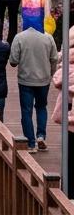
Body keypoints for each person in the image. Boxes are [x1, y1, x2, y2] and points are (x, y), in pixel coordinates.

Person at [10, 22, 59, 153]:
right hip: (43, 79)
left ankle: (30, 142)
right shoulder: (48, 37)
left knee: (26, 110)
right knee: (41, 107)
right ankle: (41, 136)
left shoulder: (19, 37)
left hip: (25, 79)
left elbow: (13, 61)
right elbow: (54, 58)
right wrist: (51, 73)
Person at [51, 28, 74, 186]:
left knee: (69, 155)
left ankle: (68, 193)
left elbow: (59, 80)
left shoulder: (69, 57)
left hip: (69, 110)